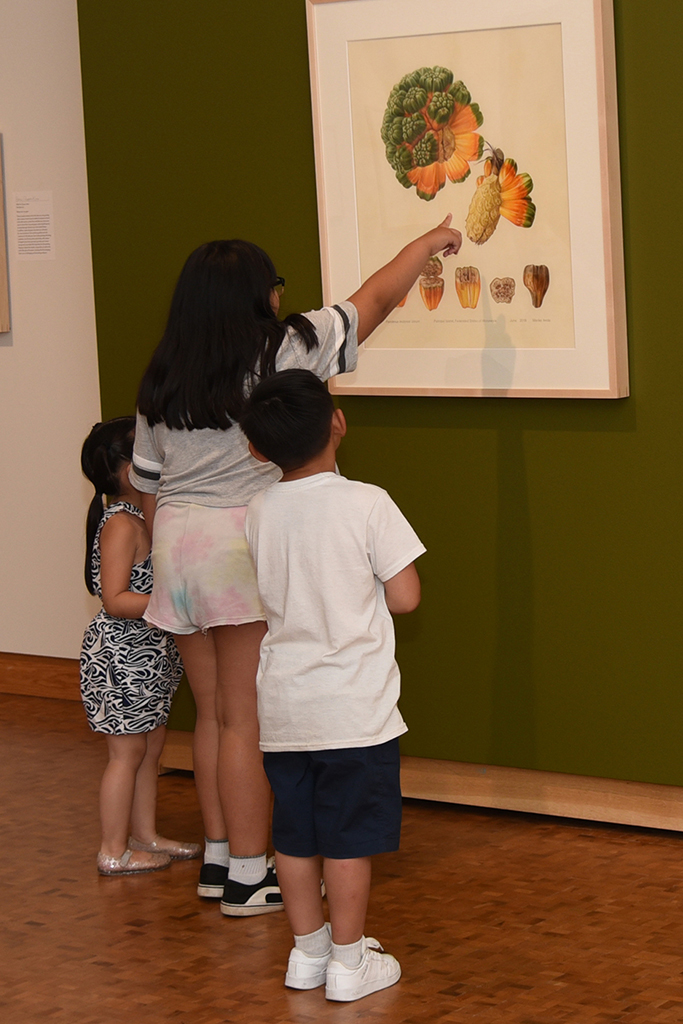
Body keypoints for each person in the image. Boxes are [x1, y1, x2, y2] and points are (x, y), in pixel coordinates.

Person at [131, 218, 460, 914]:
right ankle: (252, 874)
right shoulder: (288, 347)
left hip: (178, 548)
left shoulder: (162, 371)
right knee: (247, 720)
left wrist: (167, 558)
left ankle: (220, 858)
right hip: (239, 542)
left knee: (213, 716)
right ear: (262, 297)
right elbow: (374, 299)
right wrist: (427, 245)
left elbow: (146, 479)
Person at [239, 369, 424, 1002]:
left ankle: (307, 953)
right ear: (337, 424)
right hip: (354, 711)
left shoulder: (259, 509)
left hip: (286, 708)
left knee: (294, 835)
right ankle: (349, 963)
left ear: (257, 449)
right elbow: (405, 597)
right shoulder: (368, 502)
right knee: (348, 839)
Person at [79, 418, 201, 876]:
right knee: (126, 755)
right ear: (126, 470)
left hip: (150, 657)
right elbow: (115, 599)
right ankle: (113, 849)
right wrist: (174, 602)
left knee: (150, 750)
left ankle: (144, 834)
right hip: (121, 657)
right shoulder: (121, 524)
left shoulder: (142, 517)